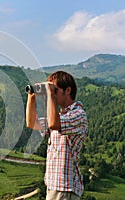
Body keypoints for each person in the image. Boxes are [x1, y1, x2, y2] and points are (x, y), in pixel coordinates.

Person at [26, 71, 88, 200]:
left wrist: (49, 94)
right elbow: (32, 123)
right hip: (54, 185)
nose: (52, 93)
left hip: (64, 187)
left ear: (68, 90)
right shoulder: (59, 117)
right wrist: (32, 96)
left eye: (55, 89)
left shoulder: (78, 115)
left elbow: (54, 124)